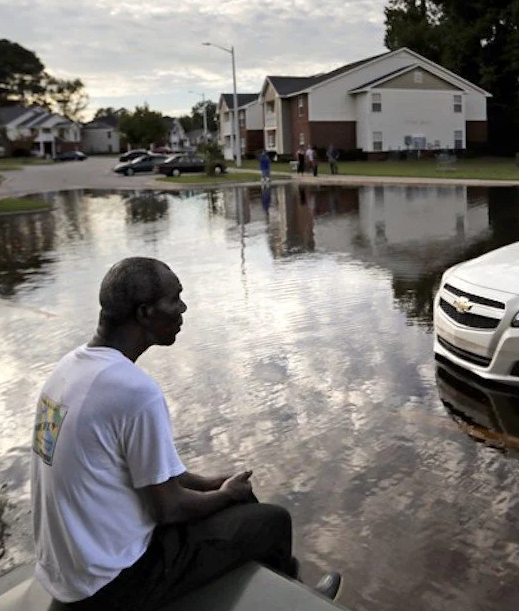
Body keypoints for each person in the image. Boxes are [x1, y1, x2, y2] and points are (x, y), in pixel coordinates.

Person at [30, 257, 340, 608]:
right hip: (113, 583)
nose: (183, 308)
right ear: (145, 313)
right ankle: (297, 599)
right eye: (174, 299)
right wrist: (225, 495)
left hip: (69, 571)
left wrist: (209, 483)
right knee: (271, 521)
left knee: (235, 503)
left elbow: (150, 473)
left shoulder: (69, 369)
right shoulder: (133, 391)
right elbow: (169, 509)